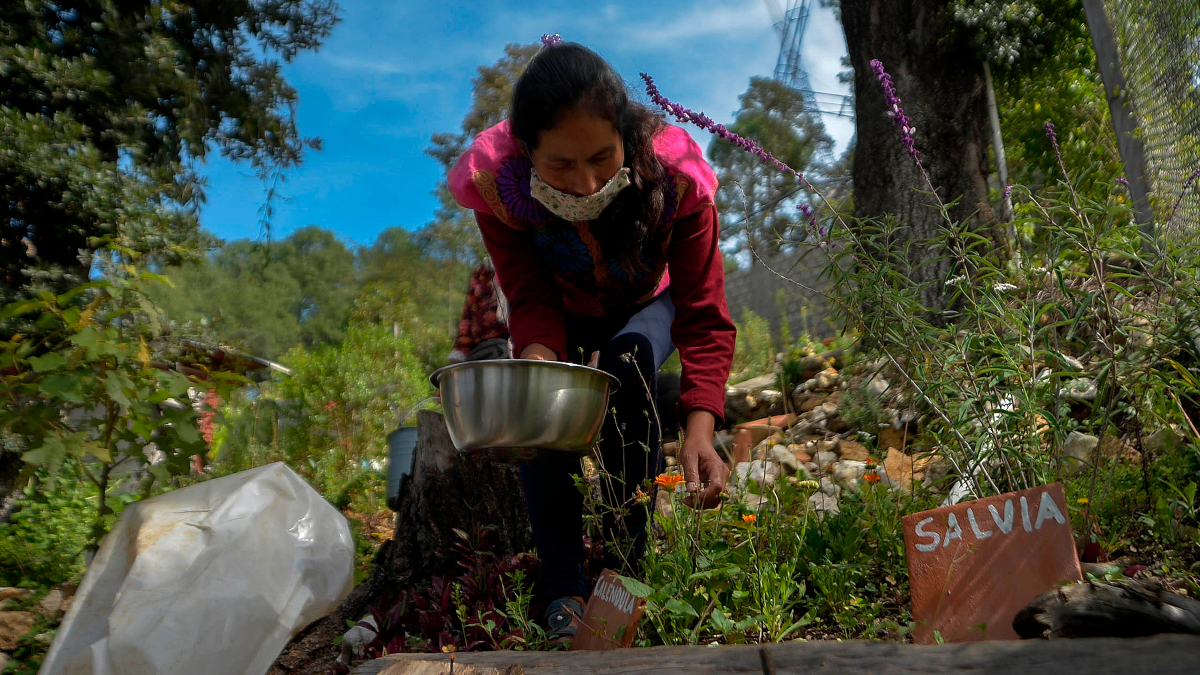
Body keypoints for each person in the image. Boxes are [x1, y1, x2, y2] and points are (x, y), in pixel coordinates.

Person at [448, 38, 735, 638]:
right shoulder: (497, 188)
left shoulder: (678, 181)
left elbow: (704, 313)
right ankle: (563, 585)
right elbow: (529, 298)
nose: (584, 183)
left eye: (603, 158)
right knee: (545, 398)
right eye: (560, 166)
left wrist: (700, 429)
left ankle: (628, 573)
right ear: (528, 153)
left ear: (626, 137)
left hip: (648, 301)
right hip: (562, 311)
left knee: (631, 364)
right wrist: (536, 371)